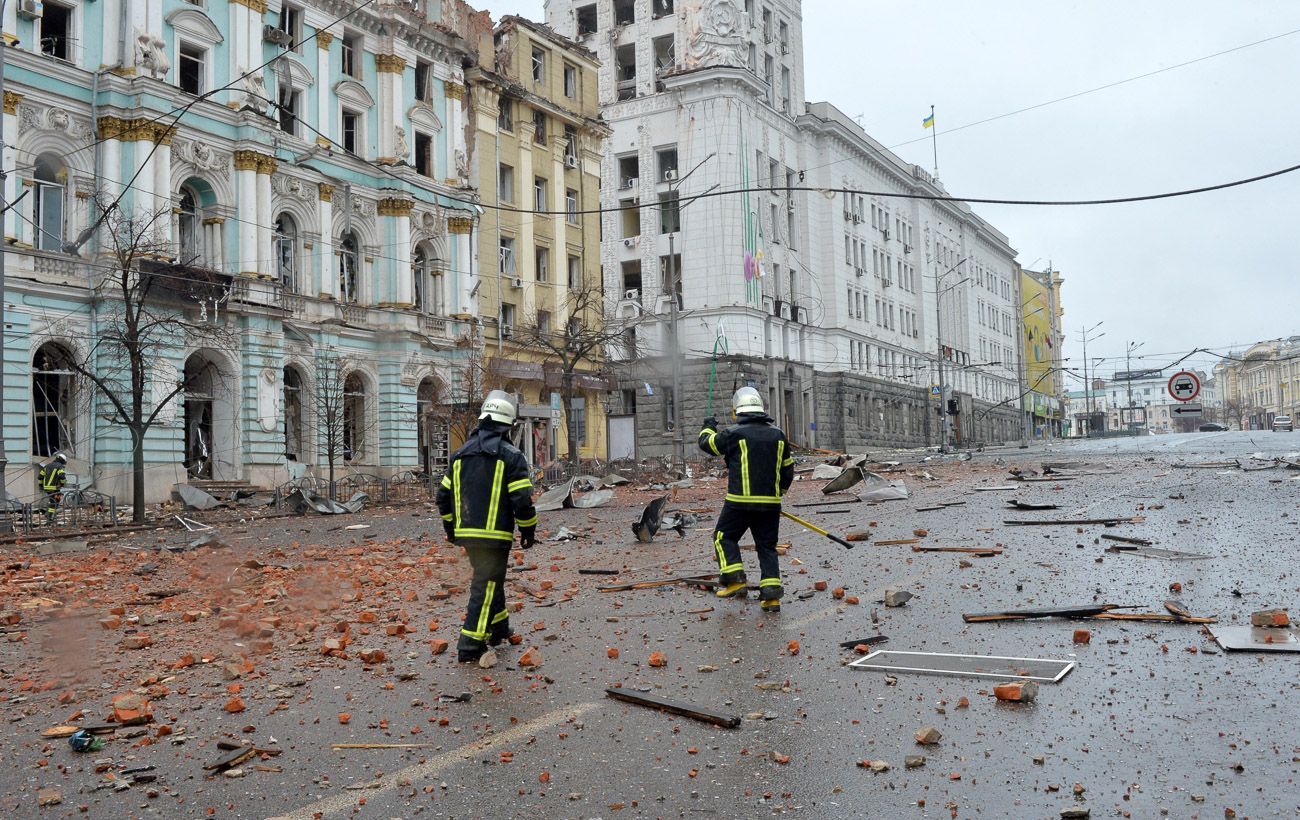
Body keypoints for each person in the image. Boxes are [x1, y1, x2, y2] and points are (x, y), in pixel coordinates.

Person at [436, 391, 538, 662]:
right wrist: (528, 531)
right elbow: (522, 501)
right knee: (486, 583)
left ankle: (499, 628)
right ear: (507, 426)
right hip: (495, 537)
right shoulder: (511, 456)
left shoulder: (459, 456)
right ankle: (470, 643)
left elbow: (442, 498)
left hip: (466, 534)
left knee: (492, 580)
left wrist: (451, 530)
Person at [698, 387, 794, 612]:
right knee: (767, 547)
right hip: (770, 504)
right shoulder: (778, 435)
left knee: (724, 536)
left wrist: (708, 426)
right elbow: (788, 470)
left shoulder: (734, 434)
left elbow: (707, 444)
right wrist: (779, 493)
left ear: (737, 411)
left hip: (739, 501)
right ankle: (771, 598)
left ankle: (734, 580)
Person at [38, 452, 68, 524]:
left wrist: (41, 486)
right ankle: (50, 518)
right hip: (54, 488)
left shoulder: (47, 466)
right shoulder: (59, 466)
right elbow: (62, 476)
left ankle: (49, 516)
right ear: (62, 460)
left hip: (47, 488)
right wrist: (62, 483)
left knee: (53, 501)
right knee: (55, 502)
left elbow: (40, 477)